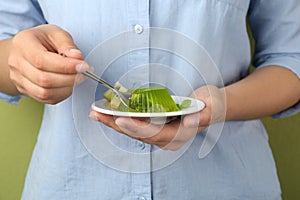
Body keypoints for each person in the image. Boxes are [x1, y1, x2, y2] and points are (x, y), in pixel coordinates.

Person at [0, 0, 299, 199]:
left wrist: (218, 105)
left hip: (224, 183)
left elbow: (291, 58)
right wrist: (23, 62)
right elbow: (5, 49)